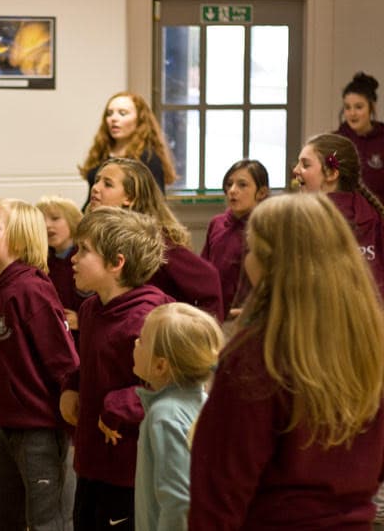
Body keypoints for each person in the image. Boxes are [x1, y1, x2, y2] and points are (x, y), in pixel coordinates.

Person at [189, 193, 384, 529]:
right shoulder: (370, 345)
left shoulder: (256, 355)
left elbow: (219, 490)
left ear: (269, 261)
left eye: (251, 250)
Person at [59, 206, 173, 530]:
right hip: (91, 461)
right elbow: (90, 362)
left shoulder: (150, 317)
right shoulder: (91, 308)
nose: (73, 258)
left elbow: (166, 385)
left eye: (84, 250)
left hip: (128, 469)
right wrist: (72, 385)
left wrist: (117, 406)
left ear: (116, 263)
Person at [0, 199, 80, 530]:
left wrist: (72, 413)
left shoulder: (31, 290)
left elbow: (65, 361)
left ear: (19, 240)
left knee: (47, 521)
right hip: (7, 427)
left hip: (40, 430)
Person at [89, 157, 224, 321]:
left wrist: (201, 335)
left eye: (107, 184)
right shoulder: (101, 236)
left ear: (130, 198)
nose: (96, 188)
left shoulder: (157, 240)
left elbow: (208, 279)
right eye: (97, 181)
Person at [130, 303, 223, 531]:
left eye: (141, 340)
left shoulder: (164, 415)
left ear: (160, 365)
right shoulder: (204, 402)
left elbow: (179, 502)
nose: (135, 343)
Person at [293, 133, 384, 296]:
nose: (295, 170)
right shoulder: (373, 213)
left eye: (305, 165)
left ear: (331, 174)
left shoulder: (308, 220)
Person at [79, 91, 177, 209]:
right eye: (109, 113)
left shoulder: (148, 158)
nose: (114, 118)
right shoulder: (101, 152)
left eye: (122, 113)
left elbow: (155, 206)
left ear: (139, 120)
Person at [201, 160, 269, 319]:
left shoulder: (265, 227)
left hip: (250, 314)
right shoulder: (217, 223)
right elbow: (205, 267)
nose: (232, 190)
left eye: (242, 185)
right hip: (218, 311)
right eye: (229, 184)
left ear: (261, 192)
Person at [35, 195, 92, 348]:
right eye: (42, 221)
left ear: (72, 220)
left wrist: (83, 320)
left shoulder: (89, 259)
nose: (47, 225)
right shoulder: (41, 263)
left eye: (55, 218)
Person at [334, 72, 384, 201]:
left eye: (359, 107)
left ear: (371, 107)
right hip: (344, 217)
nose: (352, 113)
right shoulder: (335, 140)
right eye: (347, 107)